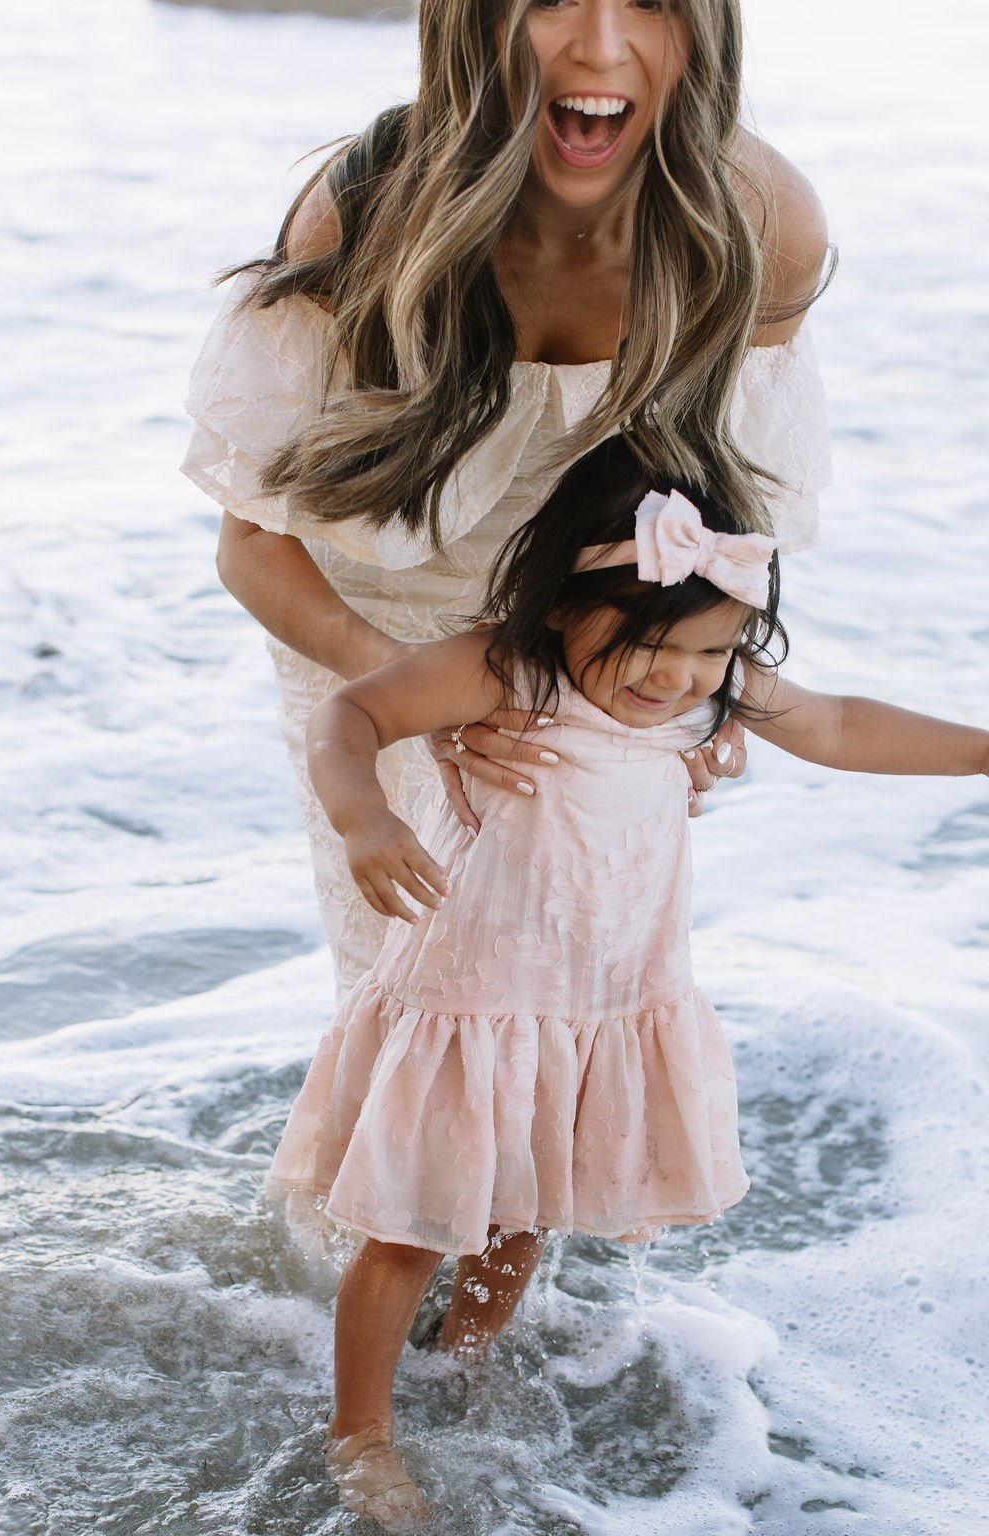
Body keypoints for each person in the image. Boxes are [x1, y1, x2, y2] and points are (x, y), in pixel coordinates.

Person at [267, 436, 989, 1529]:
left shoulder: (707, 700)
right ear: (562, 604)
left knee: (529, 1205)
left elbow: (839, 724)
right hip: (476, 999)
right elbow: (349, 715)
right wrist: (364, 817)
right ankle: (360, 1432)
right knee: (412, 1227)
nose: (674, 676)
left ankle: (465, 1361)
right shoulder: (511, 670)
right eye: (646, 643)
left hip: (597, 1006)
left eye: (706, 652)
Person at [181, 0, 834, 994]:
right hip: (362, 638)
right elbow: (250, 544)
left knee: (589, 999)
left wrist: (702, 666)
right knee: (401, 994)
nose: (601, 45)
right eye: (552, 0)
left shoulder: (756, 221)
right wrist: (415, 693)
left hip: (592, 643)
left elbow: (728, 518)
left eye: (649, 6)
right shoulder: (365, 209)